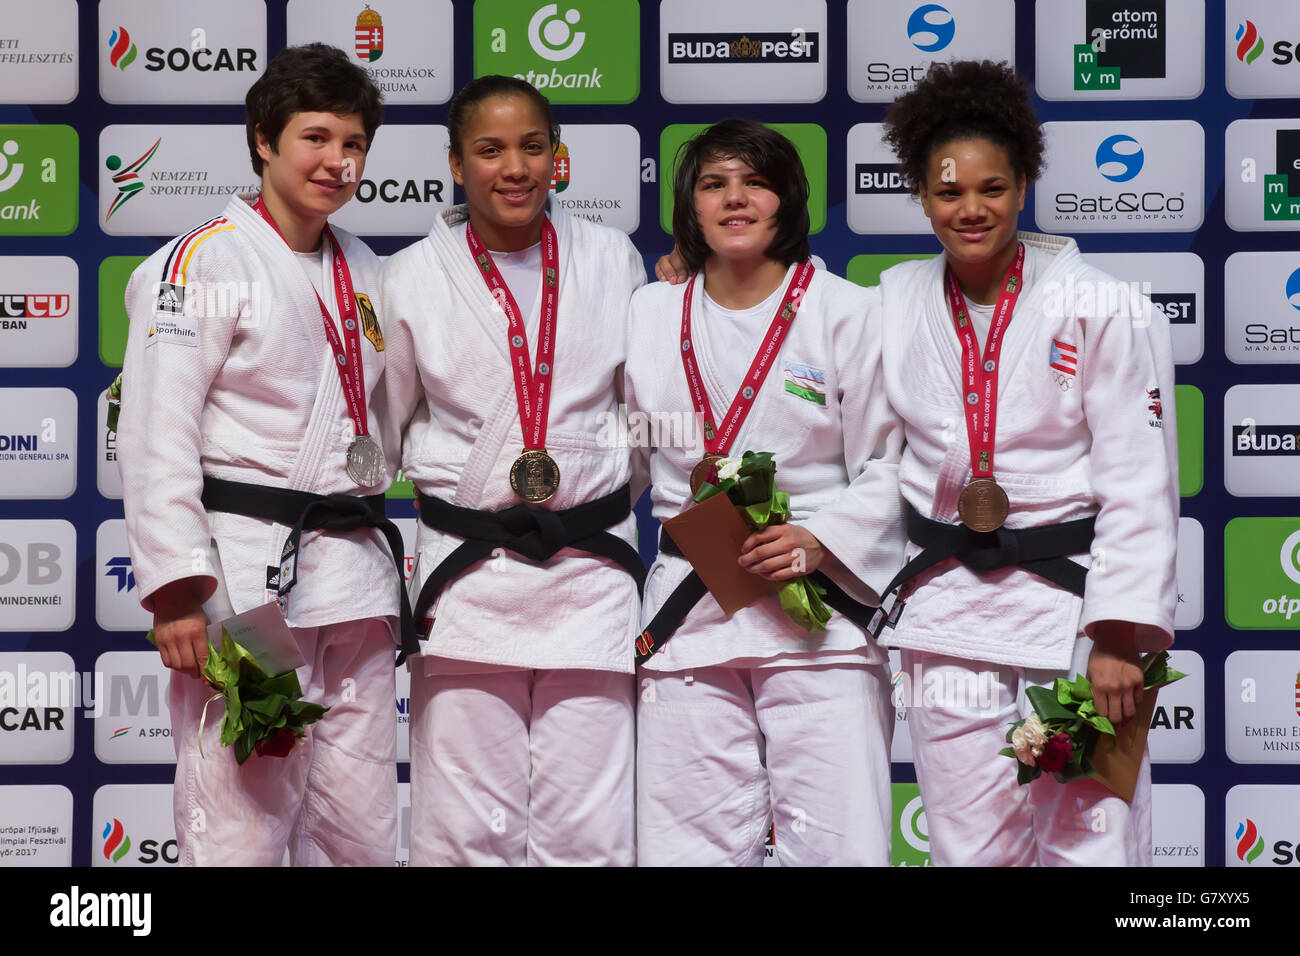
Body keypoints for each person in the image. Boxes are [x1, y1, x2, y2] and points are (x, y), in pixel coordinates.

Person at [874, 60, 1179, 865]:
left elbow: (1141, 478)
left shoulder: (1104, 304)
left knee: (1090, 842)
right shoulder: (893, 298)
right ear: (919, 191)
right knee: (967, 846)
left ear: (1023, 184)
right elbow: (788, 321)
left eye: (992, 188)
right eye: (948, 193)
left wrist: (1119, 633)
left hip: (1071, 618)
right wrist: (686, 271)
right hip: (947, 616)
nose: (970, 209)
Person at [117, 43, 407, 866]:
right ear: (263, 140)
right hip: (249, 588)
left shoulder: (367, 268)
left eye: (353, 144)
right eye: (315, 137)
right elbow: (153, 431)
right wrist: (177, 592)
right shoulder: (200, 262)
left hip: (353, 580)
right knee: (240, 823)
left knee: (358, 832)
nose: (337, 161)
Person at [379, 75, 647, 866]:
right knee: (462, 829)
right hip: (468, 582)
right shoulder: (412, 276)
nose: (515, 168)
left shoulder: (609, 257)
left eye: (533, 147)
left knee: (591, 826)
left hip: (591, 575)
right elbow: (388, 424)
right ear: (456, 165)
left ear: (558, 158)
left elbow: (637, 418)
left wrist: (585, 495)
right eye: (490, 150)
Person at [627, 119, 904, 866]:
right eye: (714, 184)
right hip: (691, 612)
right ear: (690, 205)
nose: (735, 199)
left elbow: (890, 462)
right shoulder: (649, 312)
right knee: (684, 848)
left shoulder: (849, 310)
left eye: (755, 181)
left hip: (817, 616)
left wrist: (821, 538)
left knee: (841, 845)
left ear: (788, 198)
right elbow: (624, 449)